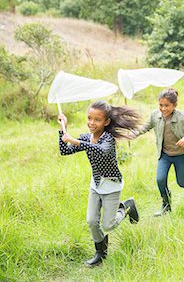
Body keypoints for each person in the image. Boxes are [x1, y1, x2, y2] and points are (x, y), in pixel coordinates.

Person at [57, 100, 141, 268]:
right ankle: (100, 254)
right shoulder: (86, 137)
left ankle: (126, 207)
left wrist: (75, 141)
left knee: (108, 225)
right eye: (89, 118)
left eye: (97, 120)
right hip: (96, 185)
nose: (91, 123)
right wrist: (63, 129)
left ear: (106, 122)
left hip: (111, 186)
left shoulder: (108, 139)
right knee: (91, 221)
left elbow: (101, 151)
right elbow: (64, 151)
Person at [135, 88, 184, 217]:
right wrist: (133, 134)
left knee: (182, 182)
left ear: (175, 105)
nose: (163, 109)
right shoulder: (155, 116)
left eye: (167, 106)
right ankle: (166, 205)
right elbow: (145, 127)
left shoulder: (183, 116)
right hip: (165, 155)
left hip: (180, 156)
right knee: (160, 180)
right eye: (161, 105)